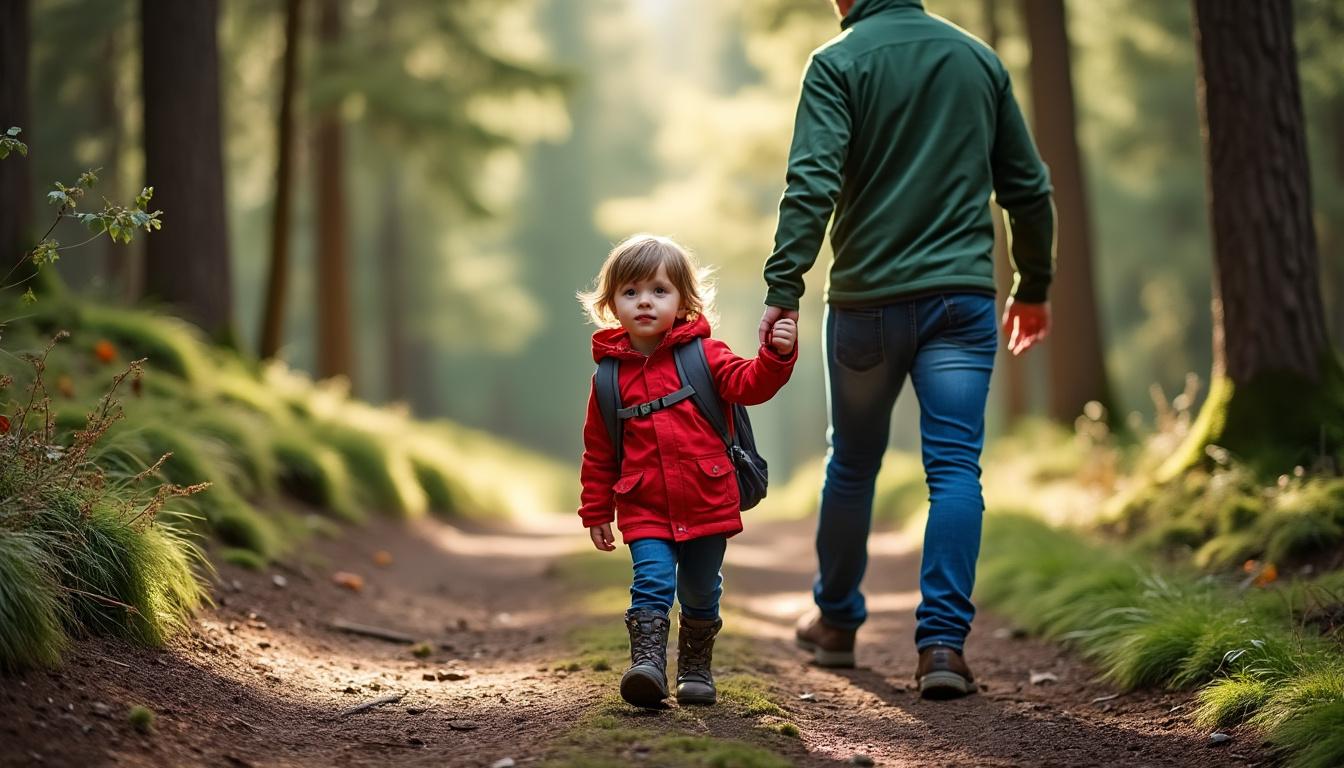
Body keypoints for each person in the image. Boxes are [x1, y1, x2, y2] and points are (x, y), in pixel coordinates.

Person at [760, 0, 1056, 698]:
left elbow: (812, 181)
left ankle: (836, 624)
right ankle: (942, 648)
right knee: (954, 468)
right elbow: (1028, 188)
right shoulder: (977, 59)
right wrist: (1034, 285)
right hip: (961, 301)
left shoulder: (837, 63)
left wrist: (784, 285)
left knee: (852, 462)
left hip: (865, 304)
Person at [577, 234, 798, 709]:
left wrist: (775, 357)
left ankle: (695, 667)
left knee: (701, 587)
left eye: (659, 291)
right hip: (644, 504)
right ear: (611, 304)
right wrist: (596, 509)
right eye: (631, 292)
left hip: (707, 497)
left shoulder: (707, 355)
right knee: (652, 580)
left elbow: (751, 385)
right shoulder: (608, 378)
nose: (644, 301)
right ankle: (648, 666)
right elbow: (599, 452)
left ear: (682, 302)